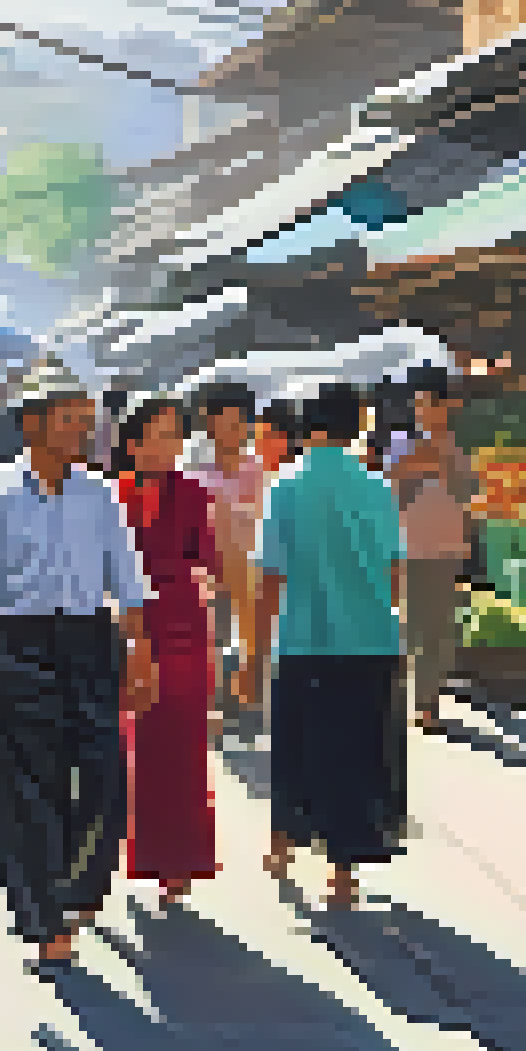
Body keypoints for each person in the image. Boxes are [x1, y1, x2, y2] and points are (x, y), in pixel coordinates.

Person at [0, 381, 156, 971]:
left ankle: (78, 889)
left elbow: (128, 580)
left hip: (89, 642)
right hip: (19, 644)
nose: (82, 432)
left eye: (86, 421)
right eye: (68, 420)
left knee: (102, 776)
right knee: (27, 790)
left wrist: (140, 651)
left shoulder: (100, 495)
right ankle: (43, 918)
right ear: (32, 425)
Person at [247, 383, 407, 910]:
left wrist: (254, 651)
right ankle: (343, 875)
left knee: (296, 745)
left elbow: (269, 576)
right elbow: (394, 571)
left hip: (304, 638)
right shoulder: (375, 486)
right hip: (369, 638)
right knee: (357, 752)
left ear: (302, 426)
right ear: (358, 422)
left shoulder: (284, 487)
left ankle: (280, 845)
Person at [111, 396, 221, 905]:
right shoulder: (110, 496)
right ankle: (130, 855)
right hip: (128, 625)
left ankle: (180, 864)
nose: (170, 444)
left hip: (183, 627)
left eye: (175, 434)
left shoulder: (195, 494)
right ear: (132, 443)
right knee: (132, 747)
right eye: (159, 434)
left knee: (183, 748)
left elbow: (210, 563)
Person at [389, 364, 478, 733]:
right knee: (412, 624)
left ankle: (429, 700)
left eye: (432, 404)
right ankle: (414, 700)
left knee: (440, 626)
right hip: (410, 546)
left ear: (447, 407)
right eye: (420, 404)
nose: (425, 411)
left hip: (447, 546)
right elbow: (392, 490)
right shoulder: (401, 443)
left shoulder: (457, 448)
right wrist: (420, 465)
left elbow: (466, 494)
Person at [185, 384, 266, 726]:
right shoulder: (193, 466)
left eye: (240, 423)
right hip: (208, 568)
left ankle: (244, 703)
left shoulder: (255, 467)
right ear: (210, 424)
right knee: (212, 637)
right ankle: (212, 704)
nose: (234, 431)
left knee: (249, 639)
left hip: (248, 566)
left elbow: (265, 516)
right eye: (227, 423)